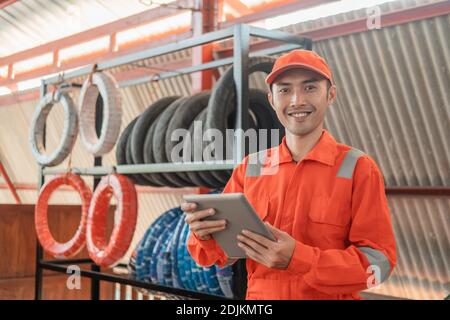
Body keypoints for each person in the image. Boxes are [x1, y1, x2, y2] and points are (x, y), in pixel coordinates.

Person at [182, 49, 396, 300]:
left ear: (331, 95)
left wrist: (299, 259)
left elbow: (378, 266)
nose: (296, 100)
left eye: (309, 88)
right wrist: (204, 235)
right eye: (284, 90)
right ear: (272, 101)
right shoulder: (251, 168)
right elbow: (213, 256)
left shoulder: (358, 168)